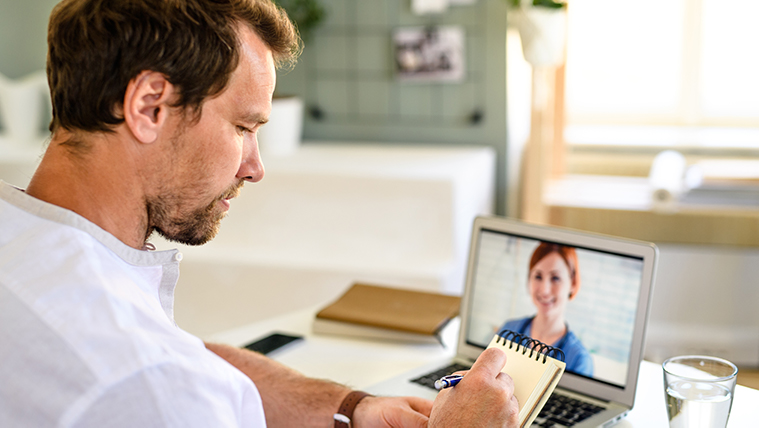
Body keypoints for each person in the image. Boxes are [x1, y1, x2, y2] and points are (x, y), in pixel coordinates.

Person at [0, 0, 520, 426]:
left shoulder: (26, 244)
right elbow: (162, 377)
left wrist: (350, 408)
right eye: (244, 128)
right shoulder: (146, 385)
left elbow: (184, 358)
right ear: (150, 105)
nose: (255, 167)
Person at [499, 242, 594, 377]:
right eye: (538, 276)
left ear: (572, 283)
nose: (545, 290)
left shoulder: (580, 360)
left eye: (555, 278)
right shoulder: (508, 331)